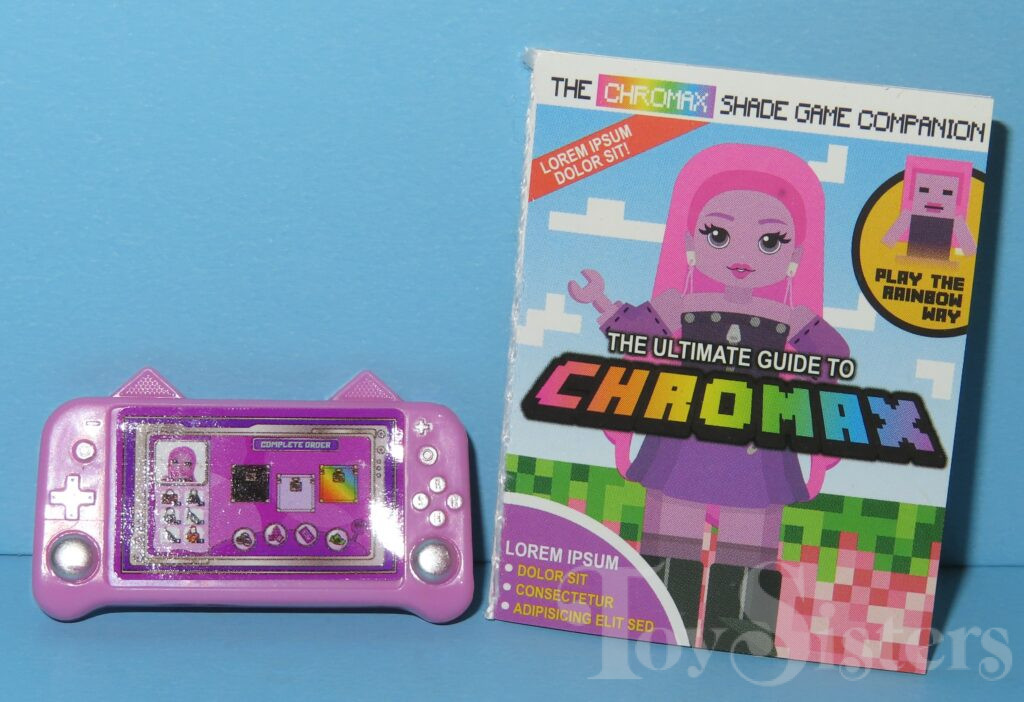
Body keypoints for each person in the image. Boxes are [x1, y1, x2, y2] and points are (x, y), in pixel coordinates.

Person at [573, 143, 848, 653]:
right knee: (670, 541)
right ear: (690, 241)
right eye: (718, 235)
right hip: (684, 439)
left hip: (758, 448)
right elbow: (635, 333)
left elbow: (834, 357)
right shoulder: (677, 304)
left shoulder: (792, 319)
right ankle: (659, 626)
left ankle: (744, 641)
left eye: (770, 241)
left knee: (748, 551)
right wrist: (602, 303)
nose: (742, 255)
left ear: (795, 254)